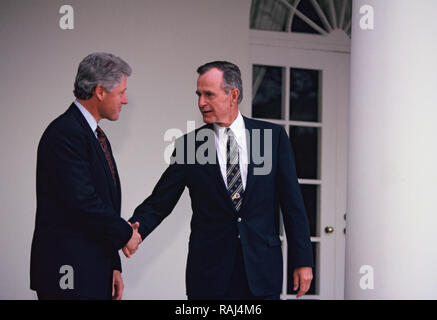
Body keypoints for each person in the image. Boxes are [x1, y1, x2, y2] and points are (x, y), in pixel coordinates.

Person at [125, 61, 313, 299]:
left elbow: (293, 205)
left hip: (261, 271)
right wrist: (135, 230)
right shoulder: (189, 146)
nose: (201, 102)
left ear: (233, 95)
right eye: (199, 95)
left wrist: (303, 260)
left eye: (208, 95)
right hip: (209, 275)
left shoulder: (272, 138)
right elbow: (160, 201)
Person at [30, 52, 142, 300]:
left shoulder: (94, 135)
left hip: (93, 271)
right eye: (121, 92)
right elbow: (82, 201)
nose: (125, 100)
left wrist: (113, 265)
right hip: (68, 275)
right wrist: (126, 235)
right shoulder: (66, 133)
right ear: (100, 91)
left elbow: (104, 206)